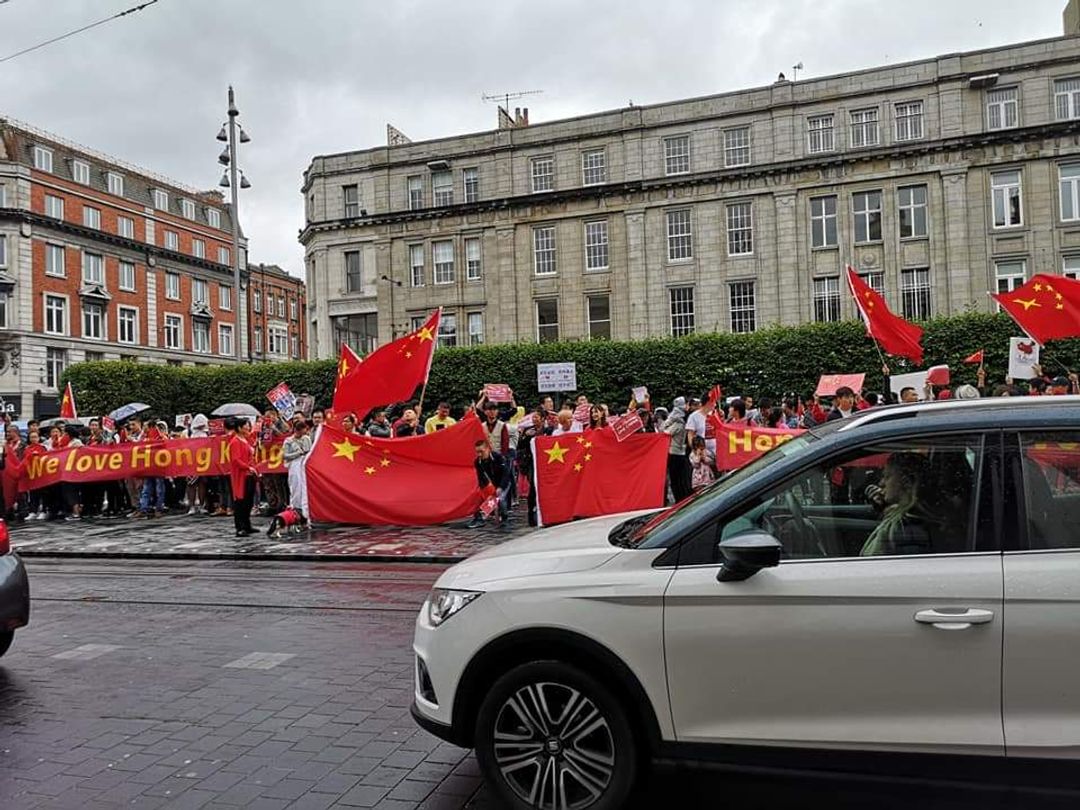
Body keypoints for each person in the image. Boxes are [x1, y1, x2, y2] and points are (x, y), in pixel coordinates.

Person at [861, 453, 934, 556]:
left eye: (887, 476)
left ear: (906, 482)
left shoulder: (906, 528)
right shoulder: (908, 521)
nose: (881, 483)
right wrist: (884, 508)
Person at [515, 408, 549, 527]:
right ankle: (532, 515)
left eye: (537, 417)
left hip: (545, 463)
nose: (535, 419)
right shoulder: (528, 431)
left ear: (543, 419)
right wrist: (524, 437)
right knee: (533, 489)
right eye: (533, 417)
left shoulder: (548, 430)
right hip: (531, 463)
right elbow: (520, 446)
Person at [469, 439, 511, 528]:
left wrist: (500, 487)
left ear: (488, 449)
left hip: (504, 481)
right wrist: (483, 490)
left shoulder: (498, 457)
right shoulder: (478, 462)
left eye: (481, 451)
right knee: (477, 497)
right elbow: (481, 477)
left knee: (501, 498)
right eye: (477, 452)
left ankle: (505, 518)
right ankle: (479, 518)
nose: (480, 454)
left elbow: (505, 474)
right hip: (492, 483)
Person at [228, 417, 259, 537]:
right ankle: (240, 527)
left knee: (248, 501)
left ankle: (247, 525)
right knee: (241, 502)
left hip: (249, 474)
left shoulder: (246, 440)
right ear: (239, 428)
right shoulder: (235, 442)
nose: (248, 428)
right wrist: (248, 467)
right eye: (246, 426)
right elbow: (236, 460)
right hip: (241, 476)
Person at [282, 415, 312, 521]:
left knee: (305, 486)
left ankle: (306, 510)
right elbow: (284, 455)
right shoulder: (288, 441)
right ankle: (295, 509)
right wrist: (297, 454)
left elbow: (309, 451)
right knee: (295, 486)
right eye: (300, 431)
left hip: (304, 464)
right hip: (294, 465)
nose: (301, 433)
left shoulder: (307, 438)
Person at [663, 398, 692, 502]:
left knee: (676, 479)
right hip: (678, 453)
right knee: (679, 479)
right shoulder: (680, 422)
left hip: (675, 452)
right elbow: (667, 432)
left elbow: (665, 431)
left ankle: (679, 499)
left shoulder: (676, 423)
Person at [185, 414, 210, 515]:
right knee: (191, 484)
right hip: (192, 462)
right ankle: (192, 506)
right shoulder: (191, 435)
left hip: (204, 462)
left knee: (202, 483)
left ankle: (201, 505)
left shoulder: (206, 435)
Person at [685, 392, 717, 456]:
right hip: (701, 453)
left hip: (716, 452)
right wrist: (695, 449)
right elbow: (690, 435)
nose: (715, 404)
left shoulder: (715, 415)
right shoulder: (693, 416)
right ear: (708, 403)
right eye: (714, 402)